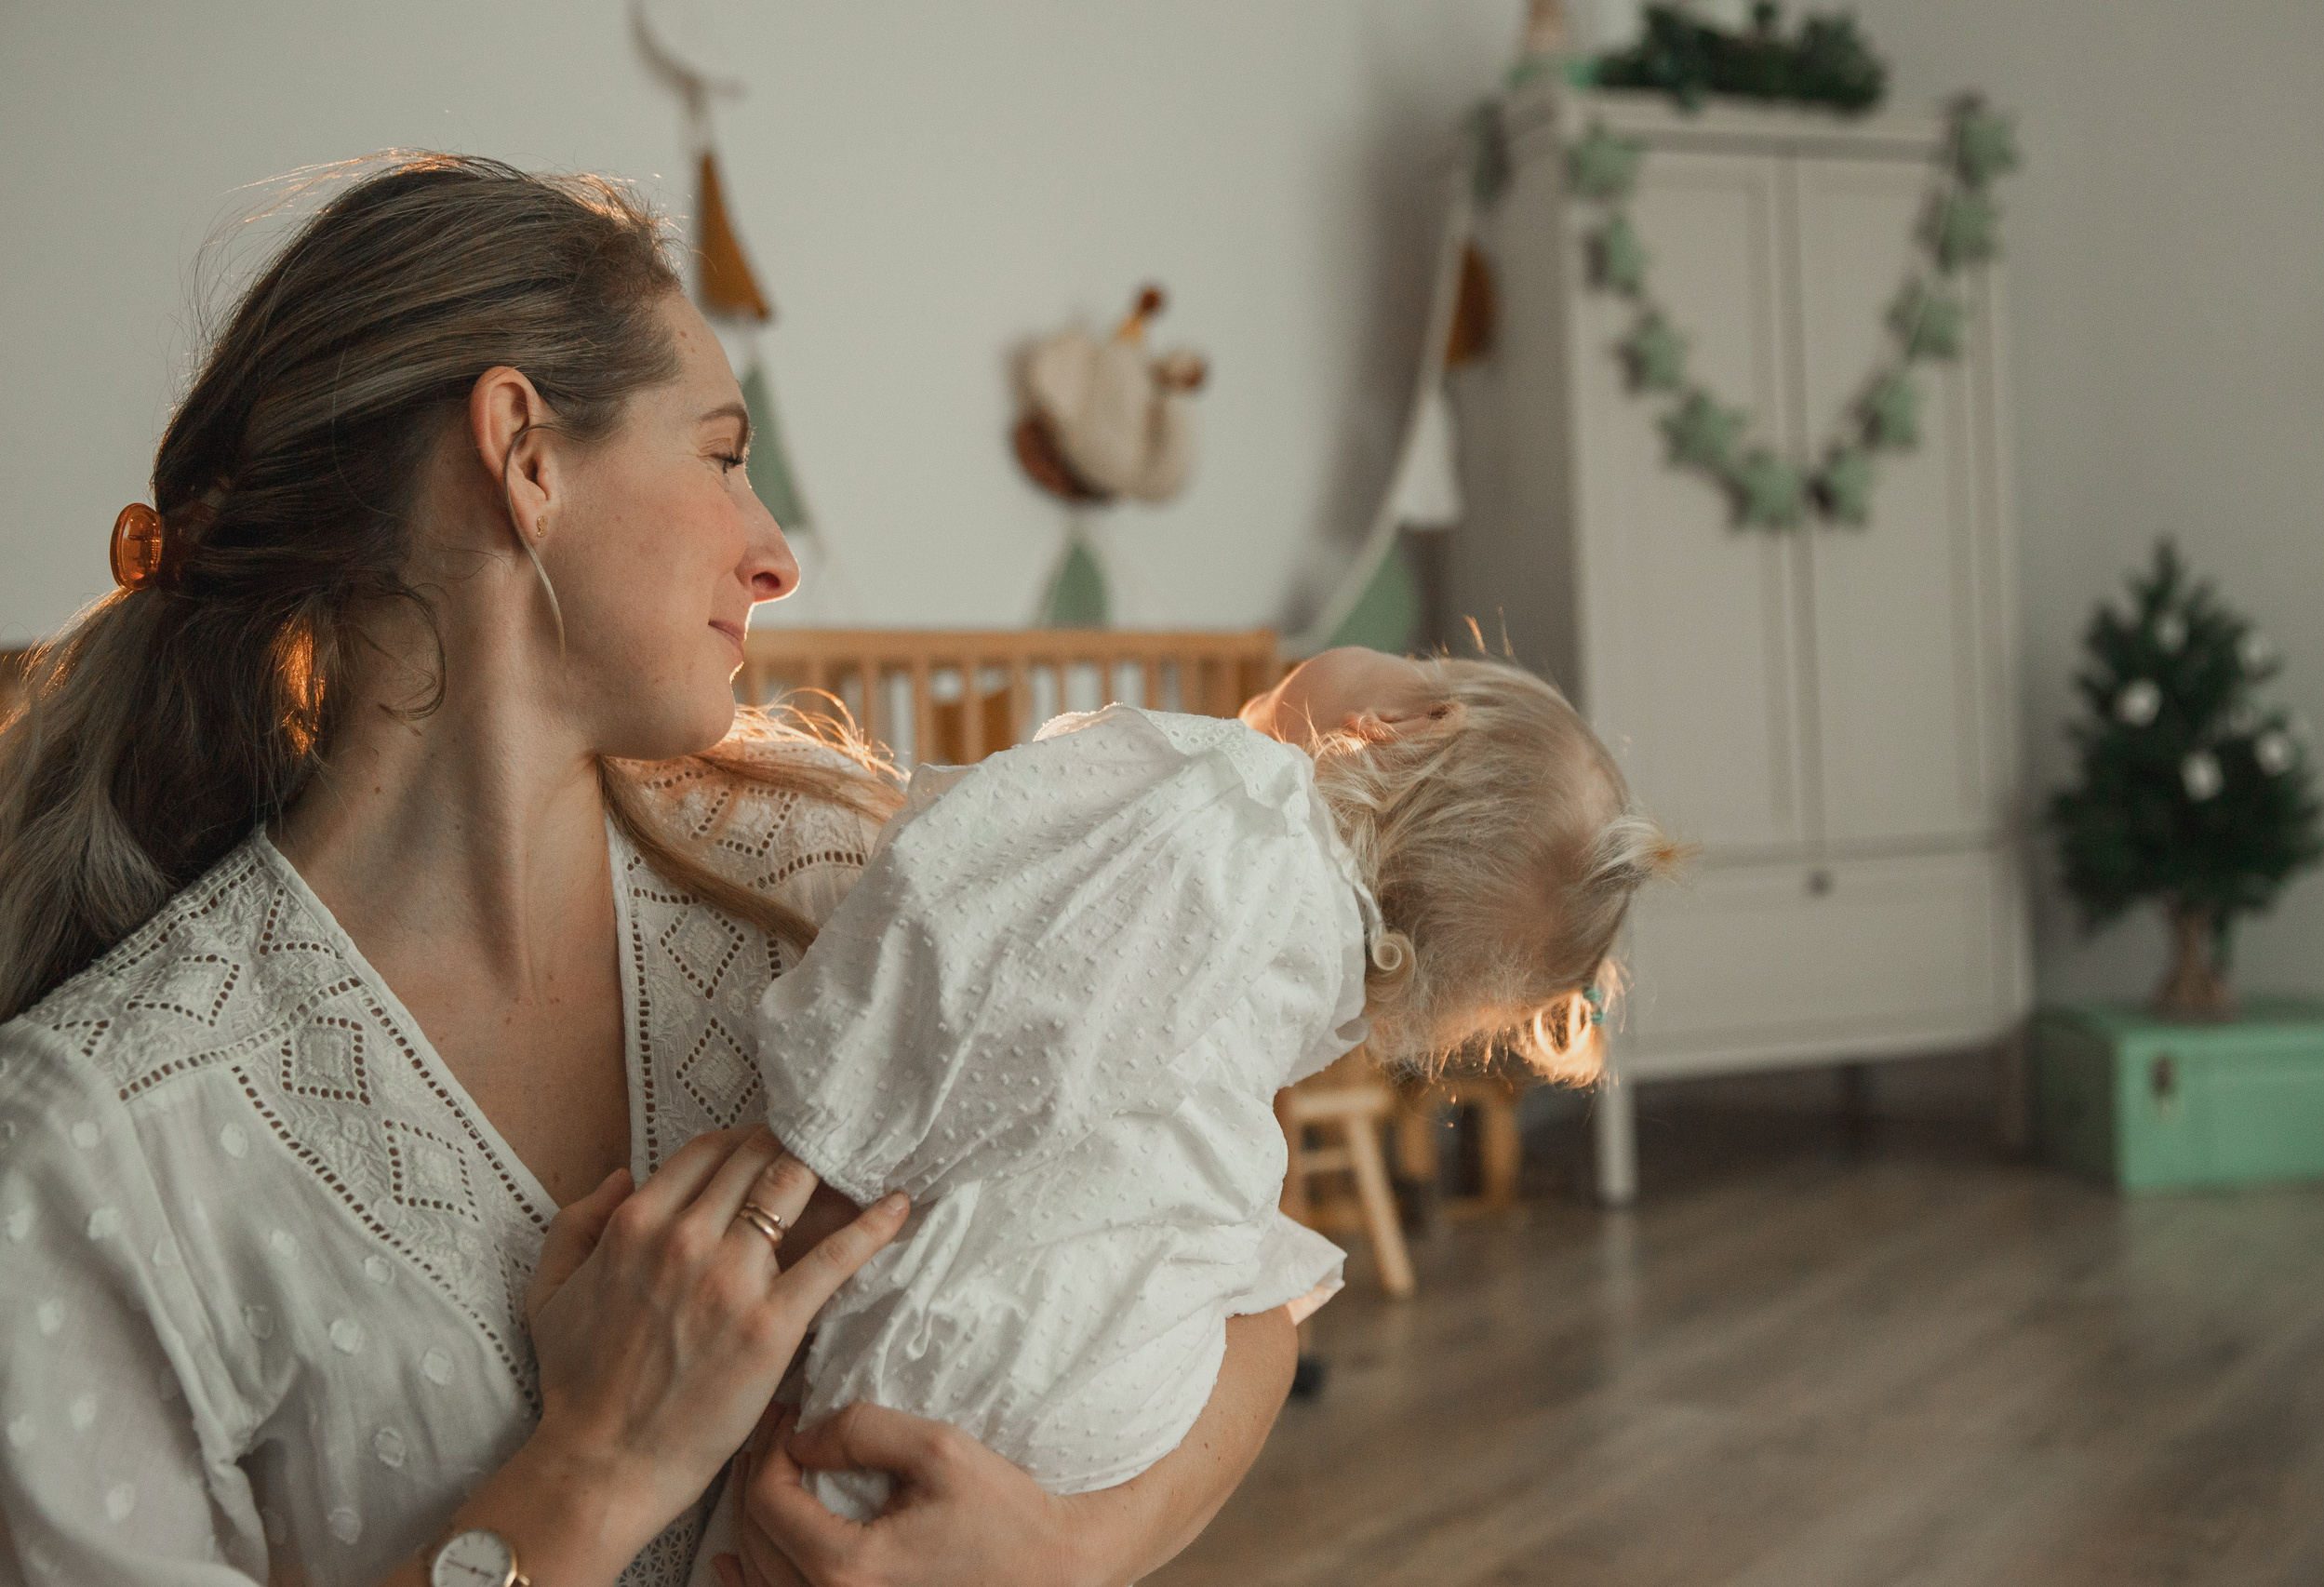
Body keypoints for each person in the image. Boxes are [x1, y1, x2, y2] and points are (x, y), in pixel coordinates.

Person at [0, 154, 1296, 1587]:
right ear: (526, 456)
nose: (775, 556)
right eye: (727, 455)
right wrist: (596, 1463)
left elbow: (1257, 1269)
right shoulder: (96, 1153)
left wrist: (1071, 1547)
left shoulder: (854, 881)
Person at [742, 648, 1680, 1527]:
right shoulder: (1318, 983)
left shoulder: (1246, 795)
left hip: (945, 1307)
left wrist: (831, 1140)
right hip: (1089, 1385)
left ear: (1403, 721)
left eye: (1422, 658)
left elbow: (970, 903)